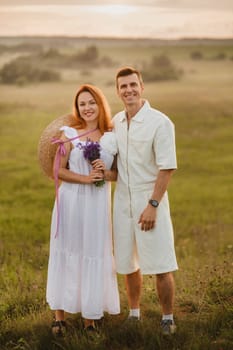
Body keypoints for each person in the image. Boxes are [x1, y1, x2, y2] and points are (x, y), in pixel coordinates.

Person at [46, 84, 120, 337]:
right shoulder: (69, 134)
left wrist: (104, 172)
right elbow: (58, 170)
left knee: (92, 252)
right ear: (77, 108)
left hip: (97, 205)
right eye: (82, 104)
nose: (87, 108)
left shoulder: (112, 136)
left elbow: (117, 173)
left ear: (101, 105)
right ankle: (59, 316)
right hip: (71, 202)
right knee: (67, 251)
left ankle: (90, 318)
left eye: (91, 102)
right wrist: (84, 178)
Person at [112, 66, 178, 335]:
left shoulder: (160, 122)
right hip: (122, 203)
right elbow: (117, 167)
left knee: (161, 264)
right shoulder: (116, 121)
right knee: (128, 263)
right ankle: (134, 313)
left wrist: (153, 205)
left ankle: (168, 318)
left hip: (150, 201)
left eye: (133, 85)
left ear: (142, 86)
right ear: (117, 91)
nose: (129, 90)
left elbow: (167, 168)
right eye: (123, 86)